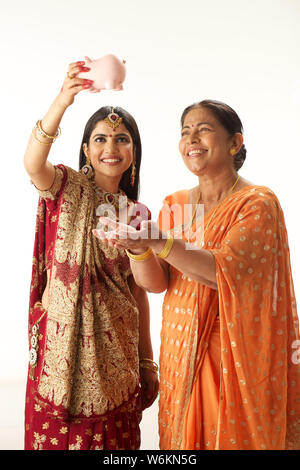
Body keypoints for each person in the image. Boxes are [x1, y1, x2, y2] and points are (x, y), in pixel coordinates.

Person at [94, 99, 300, 450]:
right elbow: (156, 282)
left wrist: (156, 238)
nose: (191, 139)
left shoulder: (256, 203)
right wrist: (136, 246)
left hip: (231, 357)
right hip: (179, 353)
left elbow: (222, 270)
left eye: (203, 130)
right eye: (185, 132)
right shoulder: (176, 203)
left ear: (235, 143)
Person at [23, 60, 158, 450]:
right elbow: (33, 163)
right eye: (100, 139)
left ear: (134, 151)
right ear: (85, 149)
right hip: (58, 357)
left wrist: (147, 361)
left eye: (121, 139)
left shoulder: (138, 214)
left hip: (115, 357)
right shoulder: (65, 187)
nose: (110, 148)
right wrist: (63, 100)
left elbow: (137, 293)